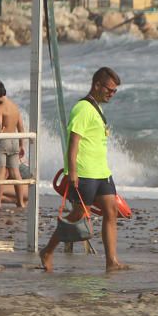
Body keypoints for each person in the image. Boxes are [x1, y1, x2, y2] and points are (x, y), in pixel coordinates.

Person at [40, 67, 127, 272]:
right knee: (77, 216)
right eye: (110, 89)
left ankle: (111, 261)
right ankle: (48, 250)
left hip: (102, 172)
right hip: (85, 172)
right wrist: (72, 172)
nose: (111, 94)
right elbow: (74, 142)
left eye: (115, 91)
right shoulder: (82, 108)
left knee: (111, 212)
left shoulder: (97, 108)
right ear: (97, 85)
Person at [0, 79, 27, 208]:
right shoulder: (15, 107)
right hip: (14, 140)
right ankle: (20, 202)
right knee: (15, 173)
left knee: (0, 173)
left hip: (3, 141)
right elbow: (21, 127)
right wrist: (21, 144)